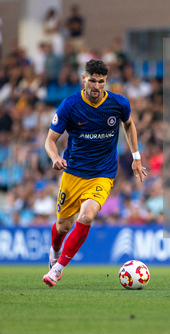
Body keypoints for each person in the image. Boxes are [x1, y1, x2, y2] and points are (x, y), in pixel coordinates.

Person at [42, 59, 146, 287]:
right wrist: (55, 157)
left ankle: (57, 270)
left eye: (101, 81)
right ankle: (55, 249)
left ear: (105, 81)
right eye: (92, 80)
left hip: (103, 173)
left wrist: (136, 158)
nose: (96, 86)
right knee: (62, 227)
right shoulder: (70, 106)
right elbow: (50, 140)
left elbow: (129, 125)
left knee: (87, 215)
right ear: (83, 79)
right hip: (73, 173)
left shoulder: (118, 104)